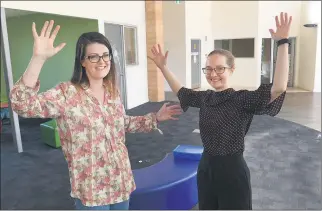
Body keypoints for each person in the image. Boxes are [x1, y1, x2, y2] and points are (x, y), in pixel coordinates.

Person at [9, 20, 182, 210]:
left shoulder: (112, 92)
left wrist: (155, 118)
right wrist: (38, 59)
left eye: (105, 55)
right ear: (82, 61)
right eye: (94, 57)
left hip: (120, 180)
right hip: (91, 190)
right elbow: (22, 104)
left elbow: (121, 123)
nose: (102, 61)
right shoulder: (66, 93)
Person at [148, 12, 292, 210]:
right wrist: (163, 67)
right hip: (206, 167)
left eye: (219, 69)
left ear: (231, 70)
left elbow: (278, 88)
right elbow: (181, 91)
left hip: (232, 171)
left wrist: (283, 43)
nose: (213, 74)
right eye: (208, 69)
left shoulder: (242, 99)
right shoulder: (206, 98)